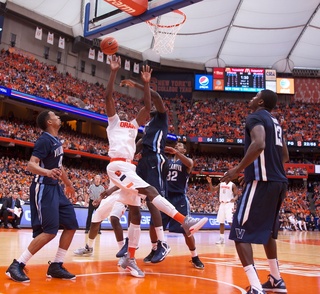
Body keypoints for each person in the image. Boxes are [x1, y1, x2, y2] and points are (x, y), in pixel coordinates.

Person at [96, 55, 207, 278]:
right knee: (151, 191)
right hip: (118, 166)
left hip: (129, 167)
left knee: (135, 212)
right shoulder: (114, 122)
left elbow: (148, 106)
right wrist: (114, 72)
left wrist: (146, 83)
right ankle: (185, 221)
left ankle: (130, 258)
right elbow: (108, 96)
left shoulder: (135, 126)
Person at [220, 89, 289, 294]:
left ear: (260, 102)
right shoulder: (276, 123)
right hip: (279, 182)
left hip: (262, 181)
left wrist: (237, 170)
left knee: (239, 233)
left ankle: (256, 287)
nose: (250, 99)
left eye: (254, 96)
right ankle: (276, 280)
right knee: (267, 232)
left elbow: (258, 144)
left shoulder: (255, 117)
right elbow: (284, 155)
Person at [5, 110, 78, 283]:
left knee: (71, 224)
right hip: (43, 187)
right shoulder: (44, 140)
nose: (58, 117)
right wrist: (47, 172)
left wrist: (68, 184)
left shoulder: (56, 140)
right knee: (50, 232)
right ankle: (17, 265)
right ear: (49, 122)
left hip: (56, 188)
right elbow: (31, 165)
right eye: (55, 116)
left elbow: (59, 167)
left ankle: (56, 266)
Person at [120, 77, 170, 263]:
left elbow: (155, 96)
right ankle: (137, 243)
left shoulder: (162, 117)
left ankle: (162, 244)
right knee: (133, 198)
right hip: (143, 160)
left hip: (155, 159)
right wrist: (128, 153)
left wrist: (140, 85)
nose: (153, 105)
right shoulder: (149, 124)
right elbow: (141, 142)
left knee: (152, 201)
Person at [163, 142, 204, 269]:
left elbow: (190, 164)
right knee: (155, 225)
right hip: (165, 197)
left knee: (187, 230)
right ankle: (155, 249)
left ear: (184, 150)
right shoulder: (167, 161)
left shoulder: (185, 161)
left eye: (180, 145)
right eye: (176, 145)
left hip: (179, 198)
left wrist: (177, 153)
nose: (177, 146)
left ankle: (195, 256)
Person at [206, 176, 239, 244]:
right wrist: (210, 183)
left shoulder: (232, 185)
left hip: (229, 204)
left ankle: (237, 236)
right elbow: (212, 190)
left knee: (230, 221)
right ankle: (221, 239)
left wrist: (234, 199)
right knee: (221, 222)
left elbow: (236, 195)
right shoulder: (221, 184)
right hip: (222, 204)